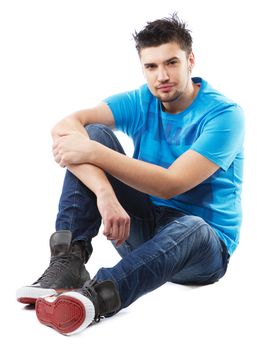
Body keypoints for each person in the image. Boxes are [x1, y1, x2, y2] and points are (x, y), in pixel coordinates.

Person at [16, 13, 244, 335]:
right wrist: (105, 194)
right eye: (151, 66)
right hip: (139, 229)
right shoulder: (142, 100)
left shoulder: (225, 115)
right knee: (92, 132)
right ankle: (69, 262)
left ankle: (95, 299)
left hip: (205, 249)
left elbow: (172, 185)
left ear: (190, 61)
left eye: (171, 63)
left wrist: (95, 154)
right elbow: (65, 128)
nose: (161, 76)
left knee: (193, 225)